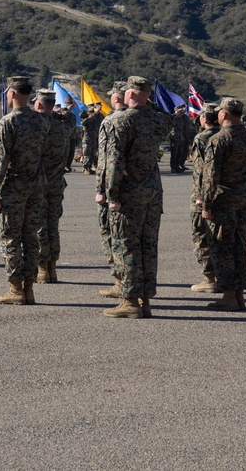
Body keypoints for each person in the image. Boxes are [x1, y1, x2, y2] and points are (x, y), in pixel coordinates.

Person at [97, 76, 172, 318]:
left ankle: (130, 301)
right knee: (148, 246)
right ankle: (145, 298)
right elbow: (167, 118)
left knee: (126, 246)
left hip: (128, 193)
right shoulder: (158, 120)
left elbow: (114, 161)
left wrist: (111, 194)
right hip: (152, 191)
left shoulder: (121, 121)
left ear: (130, 94)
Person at [0, 76, 48, 305]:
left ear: (12, 93)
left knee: (10, 237)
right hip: (36, 185)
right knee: (31, 236)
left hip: (14, 186)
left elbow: (0, 161)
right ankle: (29, 288)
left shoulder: (7, 123)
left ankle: (15, 289)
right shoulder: (42, 121)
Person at [200, 98, 246, 311]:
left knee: (222, 247)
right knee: (239, 245)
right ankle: (239, 294)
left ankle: (229, 296)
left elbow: (210, 177)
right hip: (243, 197)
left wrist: (206, 204)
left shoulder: (219, 139)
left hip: (223, 199)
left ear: (223, 114)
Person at [34, 89, 71, 283]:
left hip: (38, 184)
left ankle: (42, 269)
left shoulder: (35, 126)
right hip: (56, 183)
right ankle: (52, 268)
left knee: (40, 227)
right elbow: (70, 120)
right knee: (52, 226)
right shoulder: (61, 127)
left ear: (39, 104)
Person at [96, 81, 127, 298]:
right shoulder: (150, 119)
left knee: (113, 237)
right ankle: (138, 288)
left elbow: (107, 161)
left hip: (116, 189)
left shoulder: (112, 121)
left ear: (116, 98)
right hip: (146, 190)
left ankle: (120, 283)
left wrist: (102, 190)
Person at [188, 103, 220, 293]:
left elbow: (201, 171)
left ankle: (209, 278)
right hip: (224, 194)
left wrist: (201, 197)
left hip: (204, 194)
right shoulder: (226, 135)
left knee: (201, 235)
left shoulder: (202, 138)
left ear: (205, 118)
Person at [80, 105, 104, 174]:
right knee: (87, 154)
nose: (92, 113)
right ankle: (85, 168)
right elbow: (83, 123)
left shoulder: (96, 119)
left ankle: (89, 167)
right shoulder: (86, 119)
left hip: (94, 138)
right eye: (90, 112)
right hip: (87, 139)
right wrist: (90, 117)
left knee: (93, 154)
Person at [169, 104, 190, 173]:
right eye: (181, 111)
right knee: (174, 153)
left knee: (180, 153)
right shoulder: (172, 117)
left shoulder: (183, 118)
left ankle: (178, 166)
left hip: (182, 137)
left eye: (183, 111)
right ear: (176, 111)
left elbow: (185, 128)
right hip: (175, 137)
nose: (182, 112)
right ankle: (173, 167)